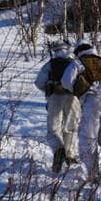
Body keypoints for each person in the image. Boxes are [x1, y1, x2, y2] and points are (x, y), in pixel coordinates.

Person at [63, 41, 101, 181]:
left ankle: (93, 174)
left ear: (78, 51)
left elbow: (66, 81)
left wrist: (78, 90)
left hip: (91, 101)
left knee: (88, 138)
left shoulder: (79, 62)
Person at [34, 40, 81, 173]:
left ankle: (58, 150)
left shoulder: (51, 64)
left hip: (55, 96)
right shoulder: (75, 63)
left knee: (53, 129)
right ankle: (70, 156)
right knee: (70, 128)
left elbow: (39, 82)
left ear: (55, 50)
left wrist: (49, 91)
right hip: (73, 98)